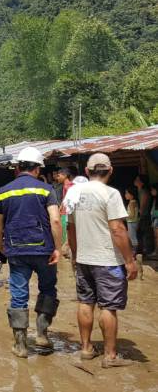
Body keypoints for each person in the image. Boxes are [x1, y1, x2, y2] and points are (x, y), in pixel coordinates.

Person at [68, 153, 138, 368]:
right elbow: (117, 229)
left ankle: (86, 348)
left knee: (85, 303)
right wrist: (130, 260)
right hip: (108, 260)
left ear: (87, 171)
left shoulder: (74, 193)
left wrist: (75, 254)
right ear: (110, 171)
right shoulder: (111, 194)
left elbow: (71, 228)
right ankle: (110, 356)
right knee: (108, 307)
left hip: (84, 259)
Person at [0, 147, 63, 358]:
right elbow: (56, 220)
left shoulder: (3, 191)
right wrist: (58, 248)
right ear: (37, 168)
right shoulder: (45, 189)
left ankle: (21, 345)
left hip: (16, 250)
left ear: (17, 167)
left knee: (19, 295)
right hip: (44, 250)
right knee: (48, 289)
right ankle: (42, 335)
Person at [125, 187, 140, 261]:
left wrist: (124, 217)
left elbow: (132, 215)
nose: (125, 195)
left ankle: (134, 254)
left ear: (132, 195)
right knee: (131, 237)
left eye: (127, 193)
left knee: (133, 238)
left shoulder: (131, 203)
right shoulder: (134, 202)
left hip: (131, 222)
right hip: (133, 222)